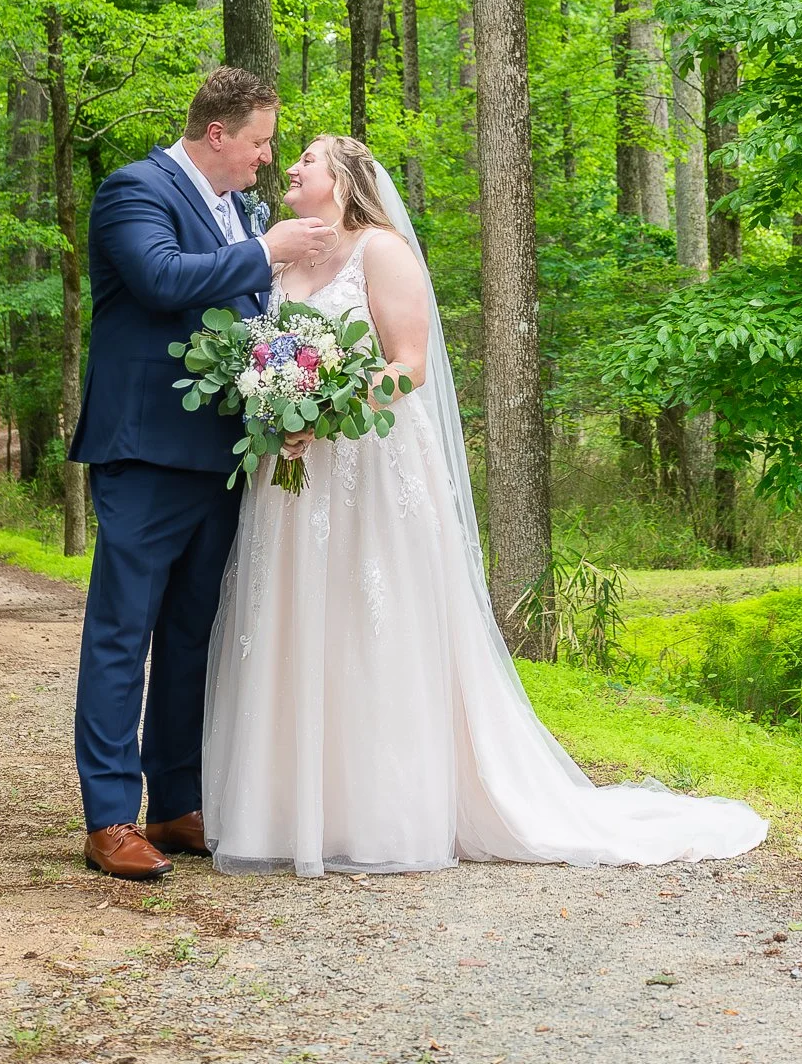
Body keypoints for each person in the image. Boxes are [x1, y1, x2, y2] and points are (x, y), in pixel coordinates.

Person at [204, 136, 768, 874]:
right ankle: (291, 812)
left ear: (342, 181)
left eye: (308, 160)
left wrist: (329, 406)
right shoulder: (279, 257)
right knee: (297, 622)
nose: (294, 168)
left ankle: (381, 814)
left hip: (372, 468)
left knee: (372, 623)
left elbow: (408, 366)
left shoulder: (382, 252)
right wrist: (281, 410)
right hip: (296, 477)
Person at [71, 69, 338, 881]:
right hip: (145, 447)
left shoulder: (241, 209)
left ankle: (177, 803)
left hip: (222, 454)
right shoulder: (135, 189)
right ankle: (110, 817)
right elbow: (160, 281)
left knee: (193, 633)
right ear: (217, 134)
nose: (267, 159)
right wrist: (265, 251)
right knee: (123, 632)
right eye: (259, 141)